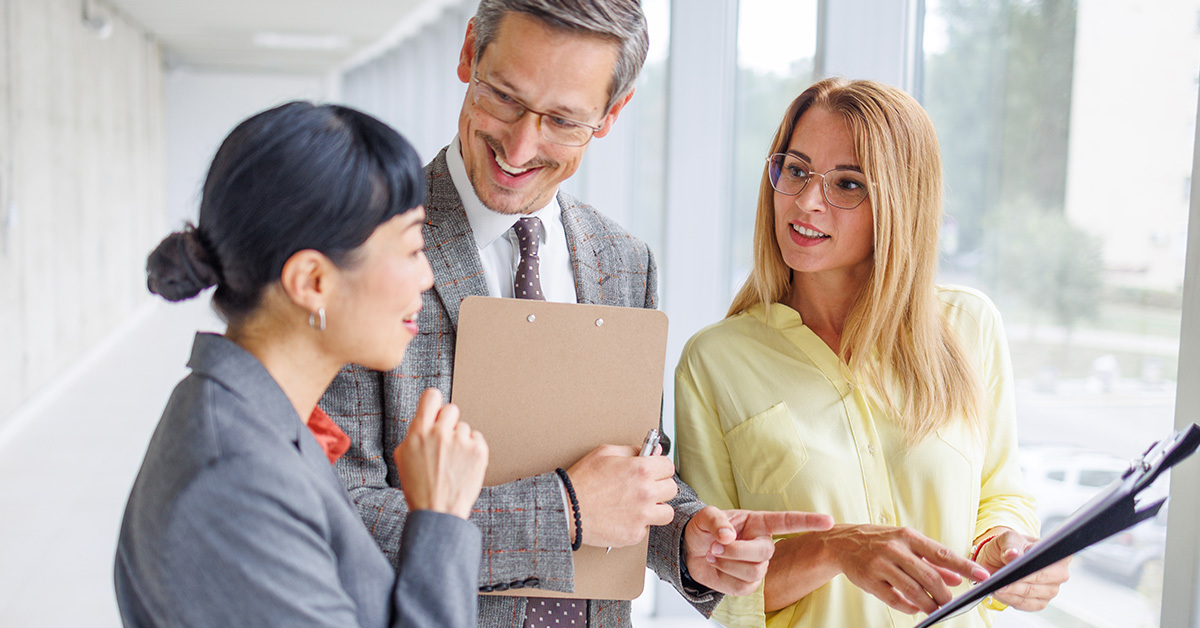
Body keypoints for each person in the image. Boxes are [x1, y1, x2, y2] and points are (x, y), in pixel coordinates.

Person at [320, 1, 833, 626]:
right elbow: (336, 520)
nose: (519, 144)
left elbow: (634, 464)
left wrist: (689, 539)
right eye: (504, 98)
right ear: (468, 55)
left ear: (612, 114)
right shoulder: (365, 244)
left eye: (564, 120)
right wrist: (564, 510)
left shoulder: (623, 261)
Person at [674, 78, 1072, 628]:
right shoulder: (713, 362)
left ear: (899, 202)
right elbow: (719, 586)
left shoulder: (968, 327)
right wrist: (836, 548)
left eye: (848, 183)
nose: (807, 201)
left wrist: (1005, 550)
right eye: (795, 170)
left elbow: (1000, 491)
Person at [114, 102, 489, 628]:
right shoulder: (235, 482)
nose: (426, 278)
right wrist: (441, 519)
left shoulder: (254, 417)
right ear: (312, 281)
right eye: (411, 249)